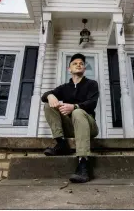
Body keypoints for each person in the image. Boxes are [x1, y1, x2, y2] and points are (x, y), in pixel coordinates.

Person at [41, 53, 99, 183]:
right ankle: (61, 143)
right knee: (48, 105)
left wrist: (75, 106)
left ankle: (83, 163)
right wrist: (50, 96)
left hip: (89, 126)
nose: (79, 65)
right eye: (75, 63)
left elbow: (92, 103)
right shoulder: (64, 88)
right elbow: (44, 96)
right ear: (69, 69)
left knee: (78, 112)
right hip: (71, 128)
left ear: (84, 69)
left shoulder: (92, 84)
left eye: (81, 64)